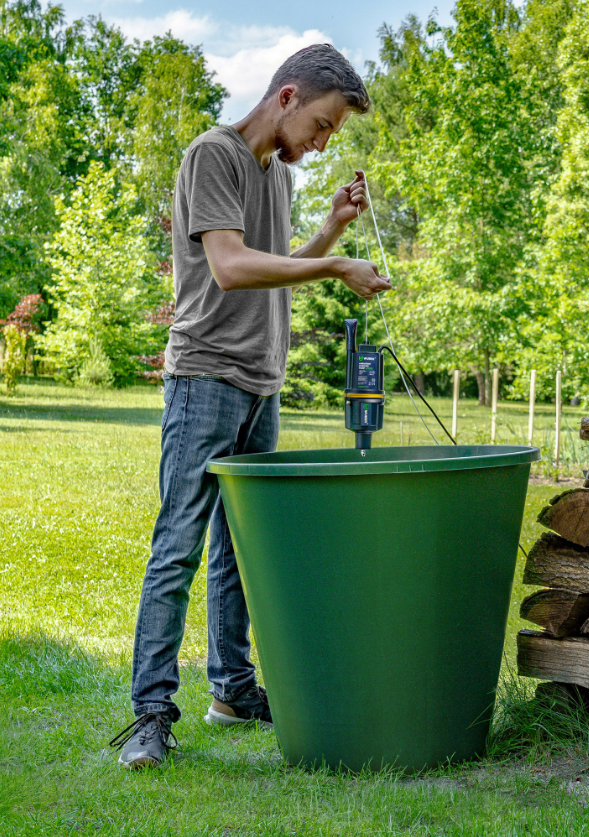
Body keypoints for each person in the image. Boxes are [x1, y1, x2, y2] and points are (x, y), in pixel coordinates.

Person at [109, 44, 391, 769]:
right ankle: (148, 712)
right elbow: (230, 267)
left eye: (332, 134)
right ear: (288, 97)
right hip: (206, 376)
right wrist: (332, 264)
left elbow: (272, 269)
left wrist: (328, 231)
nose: (324, 142)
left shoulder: (276, 177)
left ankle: (232, 688)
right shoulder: (215, 155)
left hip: (259, 383)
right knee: (178, 544)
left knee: (240, 550)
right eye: (323, 125)